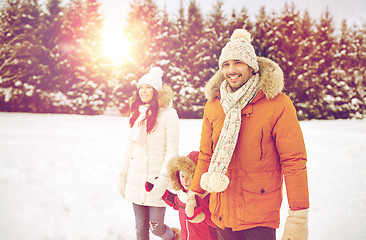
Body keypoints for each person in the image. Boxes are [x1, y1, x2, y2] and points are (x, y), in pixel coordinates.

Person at [185, 29, 310, 240]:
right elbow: (207, 154)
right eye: (225, 64)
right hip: (222, 211)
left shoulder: (278, 104)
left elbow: (293, 162)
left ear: (251, 66)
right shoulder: (214, 105)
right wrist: (195, 194)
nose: (231, 70)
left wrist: (298, 216)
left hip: (259, 216)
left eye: (238, 63)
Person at [119, 67, 180, 240]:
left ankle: (175, 238)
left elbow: (172, 150)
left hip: (155, 181)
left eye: (148, 87)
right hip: (136, 179)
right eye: (141, 87)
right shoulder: (137, 114)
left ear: (156, 91)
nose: (143, 91)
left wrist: (163, 179)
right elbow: (129, 148)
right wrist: (122, 176)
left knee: (156, 227)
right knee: (140, 229)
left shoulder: (169, 114)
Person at [146, 151, 218, 240]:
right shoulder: (182, 194)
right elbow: (176, 202)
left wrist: (204, 214)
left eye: (190, 176)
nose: (185, 181)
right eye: (183, 176)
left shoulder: (206, 197)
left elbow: (216, 223)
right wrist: (163, 193)